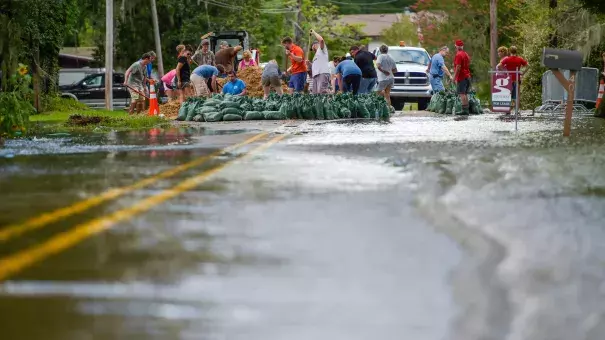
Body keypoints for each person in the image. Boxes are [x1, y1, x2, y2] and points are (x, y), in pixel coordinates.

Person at [497, 45, 529, 112]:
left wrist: (505, 72)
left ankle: (508, 110)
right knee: (517, 95)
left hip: (509, 79)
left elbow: (499, 66)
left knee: (508, 94)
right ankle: (517, 110)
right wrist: (523, 73)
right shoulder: (519, 59)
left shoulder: (507, 59)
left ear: (509, 51)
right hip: (517, 79)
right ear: (516, 51)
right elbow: (528, 66)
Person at [453, 39, 472, 115]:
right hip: (468, 76)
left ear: (457, 46)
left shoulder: (458, 55)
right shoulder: (466, 54)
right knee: (465, 93)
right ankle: (466, 109)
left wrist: (454, 77)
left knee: (462, 93)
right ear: (462, 46)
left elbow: (458, 67)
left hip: (462, 77)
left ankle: (464, 110)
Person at [310, 29, 331, 94]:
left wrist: (314, 32)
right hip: (316, 75)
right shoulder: (315, 56)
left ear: (315, 45)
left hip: (322, 73)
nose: (312, 49)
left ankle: (330, 101)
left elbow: (321, 40)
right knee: (315, 93)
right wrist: (309, 64)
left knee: (322, 92)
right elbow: (316, 66)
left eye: (312, 47)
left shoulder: (322, 49)